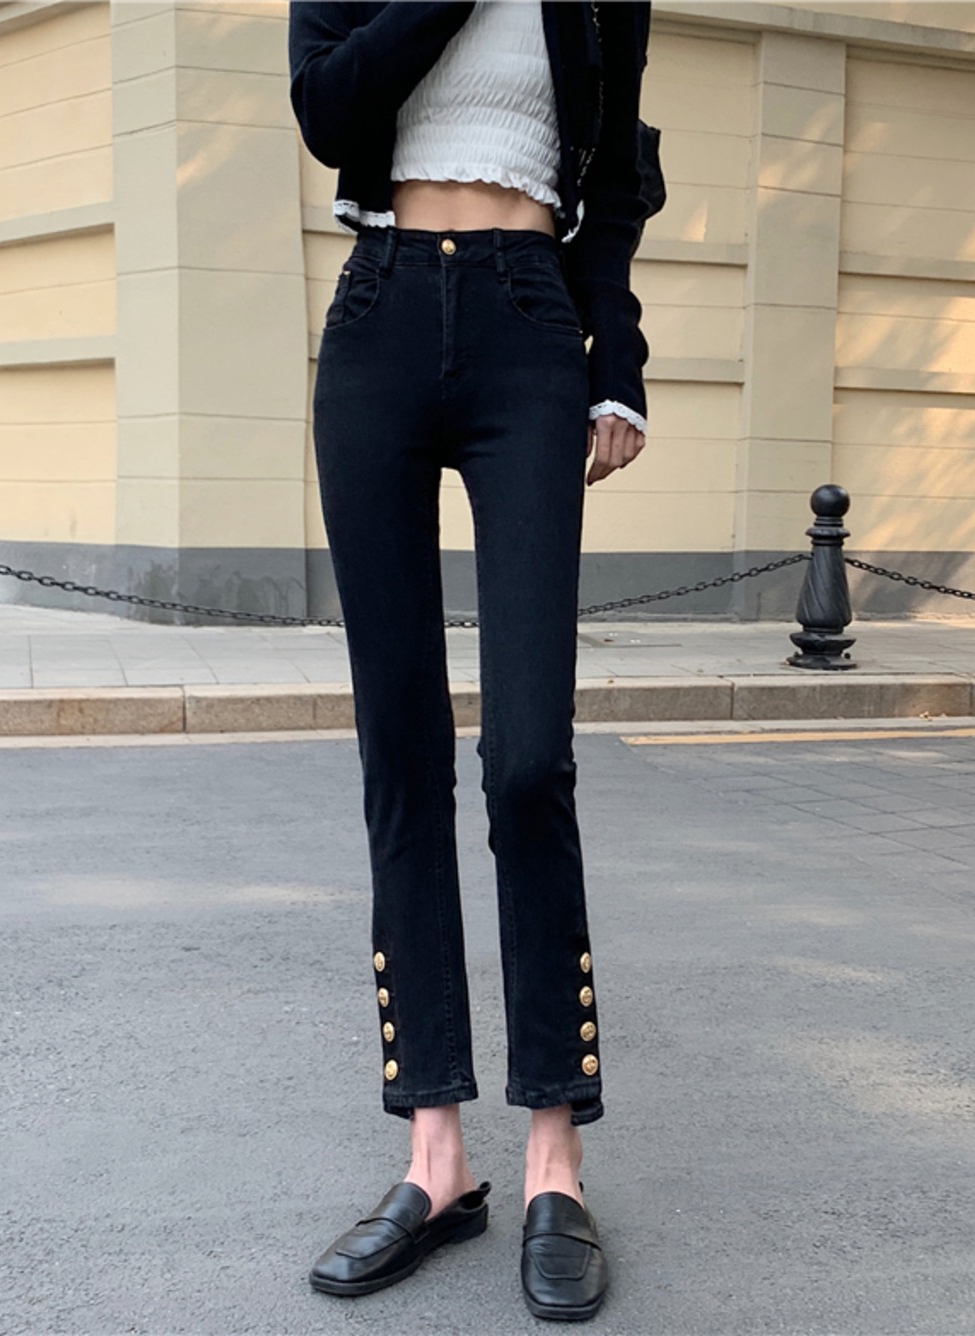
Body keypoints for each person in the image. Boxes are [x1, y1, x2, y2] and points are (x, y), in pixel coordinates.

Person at [286, 0, 653, 1321]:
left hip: (528, 323)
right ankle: (435, 1157)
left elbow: (615, 176)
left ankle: (555, 1157)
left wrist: (619, 362)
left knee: (527, 760)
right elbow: (327, 109)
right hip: (379, 314)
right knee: (400, 750)